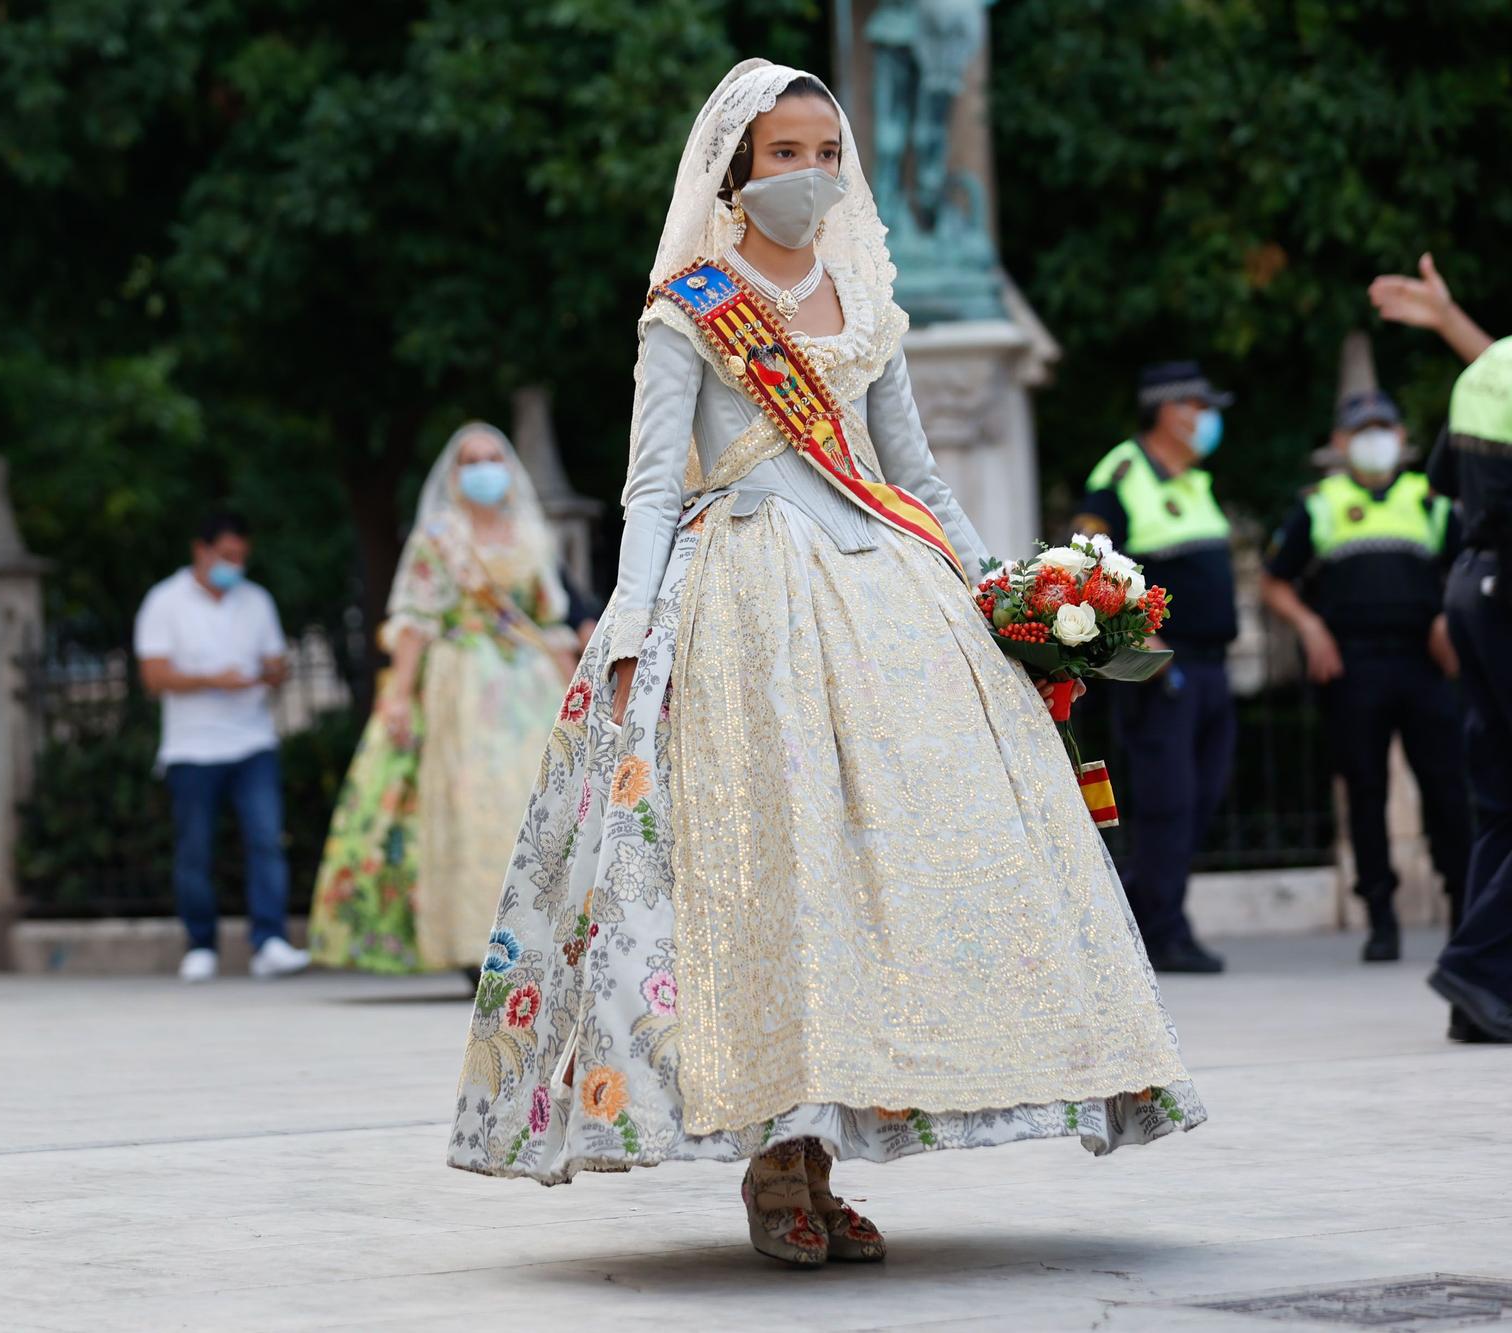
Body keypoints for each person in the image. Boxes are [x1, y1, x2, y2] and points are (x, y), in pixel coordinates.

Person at [447, 61, 1202, 1268]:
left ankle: (824, 1154)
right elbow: (650, 488)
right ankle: (775, 1168)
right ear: (736, 170)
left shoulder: (866, 299)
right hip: (744, 593)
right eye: (784, 152)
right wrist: (629, 628)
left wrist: (1004, 588)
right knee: (776, 887)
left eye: (823, 151)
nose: (809, 172)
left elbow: (913, 472)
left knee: (873, 887)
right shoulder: (686, 304)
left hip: (886, 595)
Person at [309, 423, 574, 974]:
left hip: (528, 686)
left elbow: (549, 620)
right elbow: (415, 620)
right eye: (471, 460)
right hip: (462, 683)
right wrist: (400, 696)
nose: (484, 469)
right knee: (471, 804)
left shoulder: (529, 534)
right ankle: (475, 943)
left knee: (532, 803)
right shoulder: (440, 537)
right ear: (453, 476)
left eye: (493, 457)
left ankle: (540, 936)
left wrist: (577, 691)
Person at [1259, 391, 1467, 963]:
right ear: (1342, 444)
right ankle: (1381, 917)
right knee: (1366, 790)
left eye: (1384, 427)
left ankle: (1463, 909)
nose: (1375, 438)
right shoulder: (1321, 504)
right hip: (1352, 665)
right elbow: (1274, 581)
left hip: (1424, 664)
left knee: (1448, 789)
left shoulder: (1431, 500)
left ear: (1402, 439)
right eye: (1362, 429)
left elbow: (1467, 567)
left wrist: (1451, 616)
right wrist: (1310, 627)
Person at [1069, 362, 1240, 974]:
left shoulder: (1194, 480)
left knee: (1203, 797)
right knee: (1168, 801)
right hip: (1162, 670)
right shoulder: (1121, 474)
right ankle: (1161, 931)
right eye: (1199, 405)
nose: (1207, 418)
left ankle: (1152, 914)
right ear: (1170, 410)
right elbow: (1088, 562)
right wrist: (1152, 645)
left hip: (1213, 667)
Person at [134, 511, 310, 983]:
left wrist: (270, 673)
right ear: (202, 550)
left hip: (253, 741)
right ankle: (200, 945)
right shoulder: (164, 602)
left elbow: (275, 662)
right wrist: (213, 680)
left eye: (241, 557)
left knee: (266, 840)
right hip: (191, 749)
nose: (235, 565)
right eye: (227, 556)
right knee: (195, 850)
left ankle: (269, 942)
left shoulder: (256, 601)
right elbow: (153, 675)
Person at [1421, 338, 1512, 1043]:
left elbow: (1446, 479)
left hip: (1474, 581)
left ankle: (1478, 1003)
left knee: (1500, 804)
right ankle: (1477, 968)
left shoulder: (1488, 366)